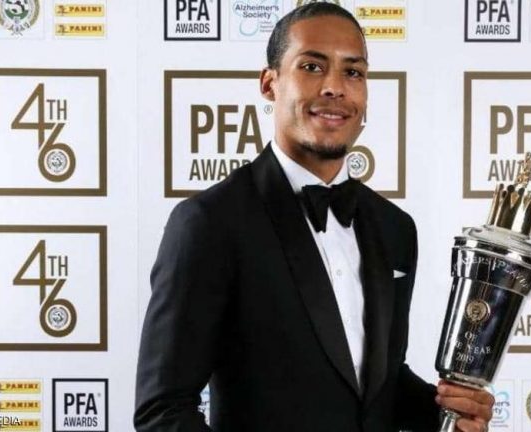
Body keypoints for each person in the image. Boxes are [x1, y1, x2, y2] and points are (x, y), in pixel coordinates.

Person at [134, 3, 494, 432]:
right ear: (270, 84)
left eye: (353, 72)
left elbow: (379, 386)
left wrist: (449, 413)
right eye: (312, 67)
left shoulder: (394, 228)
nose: (335, 87)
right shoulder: (210, 223)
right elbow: (164, 410)